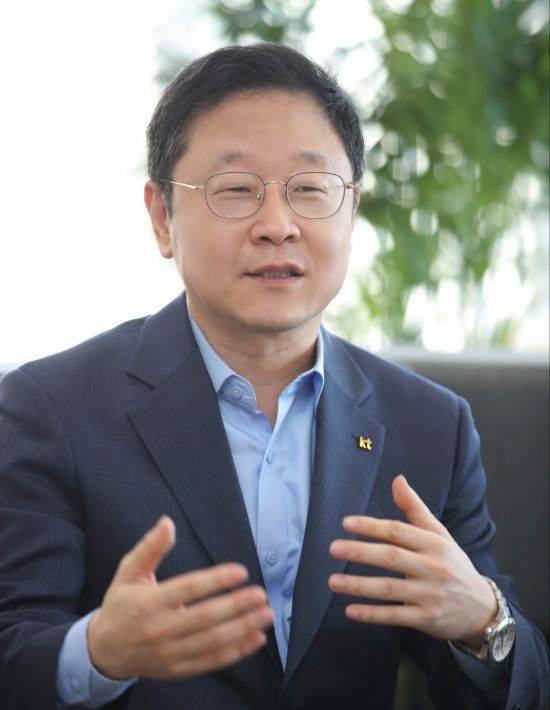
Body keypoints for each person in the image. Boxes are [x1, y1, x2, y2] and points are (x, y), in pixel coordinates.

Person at [0, 42, 547, 710]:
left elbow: (520, 687)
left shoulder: (431, 426)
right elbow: (12, 655)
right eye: (235, 190)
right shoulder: (51, 409)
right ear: (162, 217)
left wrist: (482, 622)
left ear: (351, 211)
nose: (278, 225)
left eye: (310, 190)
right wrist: (96, 653)